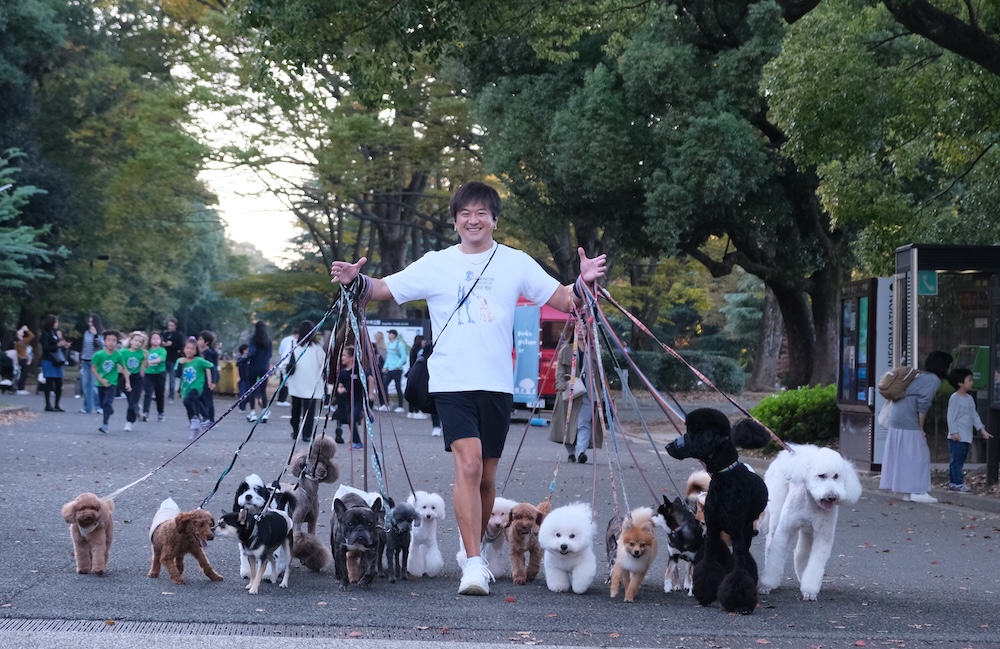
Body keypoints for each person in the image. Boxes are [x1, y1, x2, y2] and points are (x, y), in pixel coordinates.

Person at [329, 181, 607, 595]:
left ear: (494, 219)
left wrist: (583, 282)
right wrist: (356, 280)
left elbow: (567, 300)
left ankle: (468, 548)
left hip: (496, 385)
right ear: (456, 220)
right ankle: (475, 565)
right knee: (471, 464)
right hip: (451, 383)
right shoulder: (436, 263)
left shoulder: (516, 263)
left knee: (487, 480)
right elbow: (384, 288)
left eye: (481, 213)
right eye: (465, 213)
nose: (473, 220)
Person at [880, 350, 953, 504]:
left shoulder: (919, 375)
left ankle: (907, 492)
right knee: (920, 455)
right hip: (908, 419)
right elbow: (923, 405)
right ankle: (918, 491)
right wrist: (921, 429)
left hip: (896, 417)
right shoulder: (933, 380)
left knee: (905, 456)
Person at [548, 326, 603, 464]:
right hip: (570, 392)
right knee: (567, 424)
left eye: (584, 329)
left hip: (588, 393)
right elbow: (560, 369)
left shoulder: (594, 351)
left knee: (583, 423)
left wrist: (602, 394)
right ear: (573, 331)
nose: (581, 331)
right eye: (578, 329)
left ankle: (581, 452)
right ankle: (572, 452)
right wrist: (560, 383)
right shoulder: (566, 350)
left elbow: (599, 374)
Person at [946, 368, 992, 493]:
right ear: (960, 383)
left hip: (966, 436)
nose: (972, 382)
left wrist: (982, 429)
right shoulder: (955, 398)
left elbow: (974, 415)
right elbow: (951, 416)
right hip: (957, 436)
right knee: (956, 461)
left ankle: (955, 483)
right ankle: (957, 483)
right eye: (969, 380)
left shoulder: (969, 399)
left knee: (959, 460)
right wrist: (954, 432)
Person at [286, 320, 326, 442]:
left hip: (296, 382)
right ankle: (307, 435)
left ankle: (295, 430)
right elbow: (323, 364)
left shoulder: (293, 344)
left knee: (295, 407)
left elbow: (285, 362)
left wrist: (285, 377)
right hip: (312, 383)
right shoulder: (317, 347)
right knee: (309, 411)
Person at [91, 330, 131, 434]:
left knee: (107, 402)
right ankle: (109, 410)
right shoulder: (99, 355)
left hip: (112, 383)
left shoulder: (118, 355)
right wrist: (101, 379)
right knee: (102, 404)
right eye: (109, 340)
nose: (111, 343)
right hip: (100, 383)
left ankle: (105, 424)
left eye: (114, 340)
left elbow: (124, 369)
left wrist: (127, 382)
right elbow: (94, 368)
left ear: (117, 342)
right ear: (104, 341)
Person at [335, 345, 375, 449]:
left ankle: (357, 442)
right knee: (350, 420)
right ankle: (365, 416)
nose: (342, 357)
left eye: (344, 355)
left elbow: (370, 378)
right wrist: (341, 390)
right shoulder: (343, 373)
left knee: (352, 420)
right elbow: (340, 386)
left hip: (359, 400)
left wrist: (370, 393)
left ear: (352, 357)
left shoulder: (358, 370)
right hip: (349, 400)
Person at [175, 339, 215, 440]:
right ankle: (194, 424)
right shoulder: (180, 361)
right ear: (184, 349)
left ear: (196, 351)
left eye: (192, 349)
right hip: (185, 388)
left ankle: (197, 420)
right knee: (188, 404)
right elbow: (178, 375)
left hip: (196, 387)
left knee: (188, 401)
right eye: (187, 348)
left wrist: (212, 381)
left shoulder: (199, 361)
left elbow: (211, 367)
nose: (189, 350)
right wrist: (181, 365)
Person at [39, 314, 72, 412]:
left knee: (59, 383)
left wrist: (63, 345)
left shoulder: (54, 333)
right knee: (49, 382)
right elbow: (45, 348)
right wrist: (58, 345)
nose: (57, 324)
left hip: (57, 360)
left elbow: (56, 346)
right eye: (56, 322)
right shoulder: (45, 333)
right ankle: (48, 404)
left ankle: (57, 404)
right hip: (49, 360)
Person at [120, 331, 147, 431]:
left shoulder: (142, 353)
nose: (137, 343)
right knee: (130, 400)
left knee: (133, 400)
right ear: (131, 341)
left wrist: (142, 378)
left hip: (137, 378)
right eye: (136, 340)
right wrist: (125, 374)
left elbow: (143, 368)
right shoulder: (123, 352)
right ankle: (137, 408)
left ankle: (129, 422)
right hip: (125, 378)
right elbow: (119, 365)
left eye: (140, 342)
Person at [245, 321, 272, 422]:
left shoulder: (253, 339)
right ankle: (265, 413)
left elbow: (252, 352)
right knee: (263, 391)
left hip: (253, 367)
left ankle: (253, 413)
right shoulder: (268, 341)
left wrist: (244, 359)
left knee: (252, 390)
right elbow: (269, 355)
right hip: (264, 368)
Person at [79, 315, 103, 413]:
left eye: (92, 322)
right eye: (89, 322)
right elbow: (84, 347)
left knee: (94, 385)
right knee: (86, 385)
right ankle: (87, 407)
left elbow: (102, 345)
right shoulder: (86, 333)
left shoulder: (101, 333)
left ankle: (98, 407)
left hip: (95, 362)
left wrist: (96, 335)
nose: (90, 324)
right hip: (85, 360)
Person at [143, 331, 168, 422]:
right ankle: (145, 412)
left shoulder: (162, 350)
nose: (156, 340)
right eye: (154, 338)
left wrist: (149, 362)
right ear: (150, 340)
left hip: (159, 373)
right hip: (148, 374)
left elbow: (159, 359)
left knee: (159, 394)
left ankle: (161, 412)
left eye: (158, 338)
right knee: (148, 393)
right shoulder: (146, 351)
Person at [383, 329, 408, 413]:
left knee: (398, 387)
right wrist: (385, 366)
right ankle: (386, 404)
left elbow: (404, 357)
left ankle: (401, 406)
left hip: (397, 370)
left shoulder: (399, 344)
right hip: (390, 369)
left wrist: (398, 366)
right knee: (384, 385)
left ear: (394, 335)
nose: (388, 335)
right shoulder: (389, 344)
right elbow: (388, 357)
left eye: (390, 333)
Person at [407, 335, 431, 422]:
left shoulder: (413, 350)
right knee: (419, 392)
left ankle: (411, 411)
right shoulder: (421, 351)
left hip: (412, 372)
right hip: (420, 373)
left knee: (412, 391)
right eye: (423, 340)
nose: (425, 342)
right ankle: (417, 411)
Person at [197, 331, 219, 424]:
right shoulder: (198, 352)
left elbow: (212, 368)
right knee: (199, 397)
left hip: (209, 378)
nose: (198, 341)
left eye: (201, 339)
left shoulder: (210, 353)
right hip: (201, 378)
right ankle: (205, 416)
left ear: (206, 342)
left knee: (207, 399)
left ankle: (210, 419)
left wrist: (213, 381)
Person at [162, 318, 185, 402]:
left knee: (172, 378)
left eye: (171, 326)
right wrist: (164, 344)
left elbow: (180, 346)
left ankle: (171, 395)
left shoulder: (178, 335)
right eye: (169, 325)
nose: (170, 327)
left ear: (175, 326)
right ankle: (160, 393)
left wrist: (172, 345)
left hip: (173, 358)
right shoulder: (165, 334)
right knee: (162, 377)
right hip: (164, 358)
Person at [276, 330, 297, 405]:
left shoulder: (284, 339)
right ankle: (282, 400)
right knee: (286, 382)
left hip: (282, 362)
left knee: (282, 381)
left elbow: (280, 351)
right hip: (289, 363)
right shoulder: (293, 341)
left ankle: (280, 399)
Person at [14, 325, 34, 395]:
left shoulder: (17, 342)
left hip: (21, 359)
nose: (22, 331)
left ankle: (21, 388)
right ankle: (20, 388)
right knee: (23, 374)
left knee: (23, 374)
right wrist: (27, 330)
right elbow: (32, 336)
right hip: (23, 358)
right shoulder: (23, 341)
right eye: (21, 331)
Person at [236, 343, 251, 415]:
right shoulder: (240, 359)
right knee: (242, 393)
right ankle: (242, 407)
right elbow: (237, 368)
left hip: (249, 379)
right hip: (242, 379)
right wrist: (237, 376)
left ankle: (244, 405)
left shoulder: (249, 359)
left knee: (249, 393)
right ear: (244, 350)